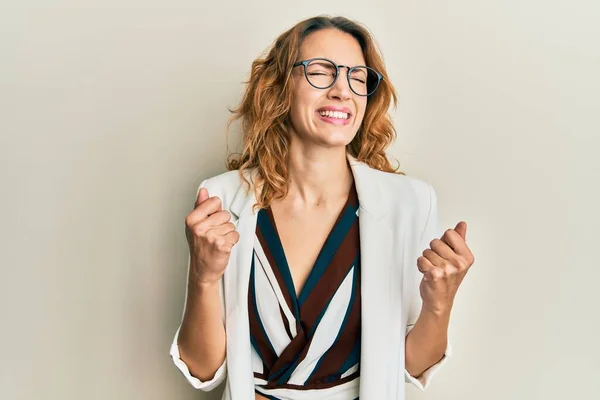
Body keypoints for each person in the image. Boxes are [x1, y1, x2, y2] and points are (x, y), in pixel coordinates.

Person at [170, 15, 475, 400]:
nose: (342, 91)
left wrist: (440, 301)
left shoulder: (409, 203)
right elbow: (202, 370)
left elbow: (411, 367)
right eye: (320, 71)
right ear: (279, 87)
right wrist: (203, 276)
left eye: (357, 77)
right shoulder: (220, 199)